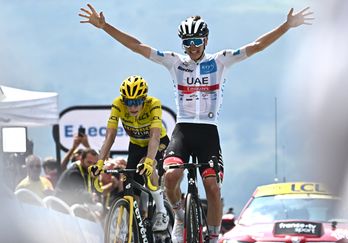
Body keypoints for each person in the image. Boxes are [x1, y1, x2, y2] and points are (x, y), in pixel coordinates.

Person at [79, 4, 313, 242]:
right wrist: (105, 26)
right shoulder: (175, 62)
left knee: (212, 186)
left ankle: (212, 236)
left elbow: (256, 46)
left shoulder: (220, 61)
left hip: (208, 133)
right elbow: (137, 46)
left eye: (197, 41)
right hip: (183, 130)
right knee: (170, 176)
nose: (192, 47)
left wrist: (286, 26)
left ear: (206, 40)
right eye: (187, 42)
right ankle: (179, 215)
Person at [90, 75, 170, 232]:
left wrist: (148, 161)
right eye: (128, 102)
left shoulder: (154, 104)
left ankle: (162, 211)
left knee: (146, 165)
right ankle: (132, 223)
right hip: (135, 144)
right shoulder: (117, 104)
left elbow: (154, 136)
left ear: (144, 99)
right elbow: (110, 136)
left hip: (158, 143)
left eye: (137, 102)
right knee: (129, 182)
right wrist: (100, 162)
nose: (132, 107)